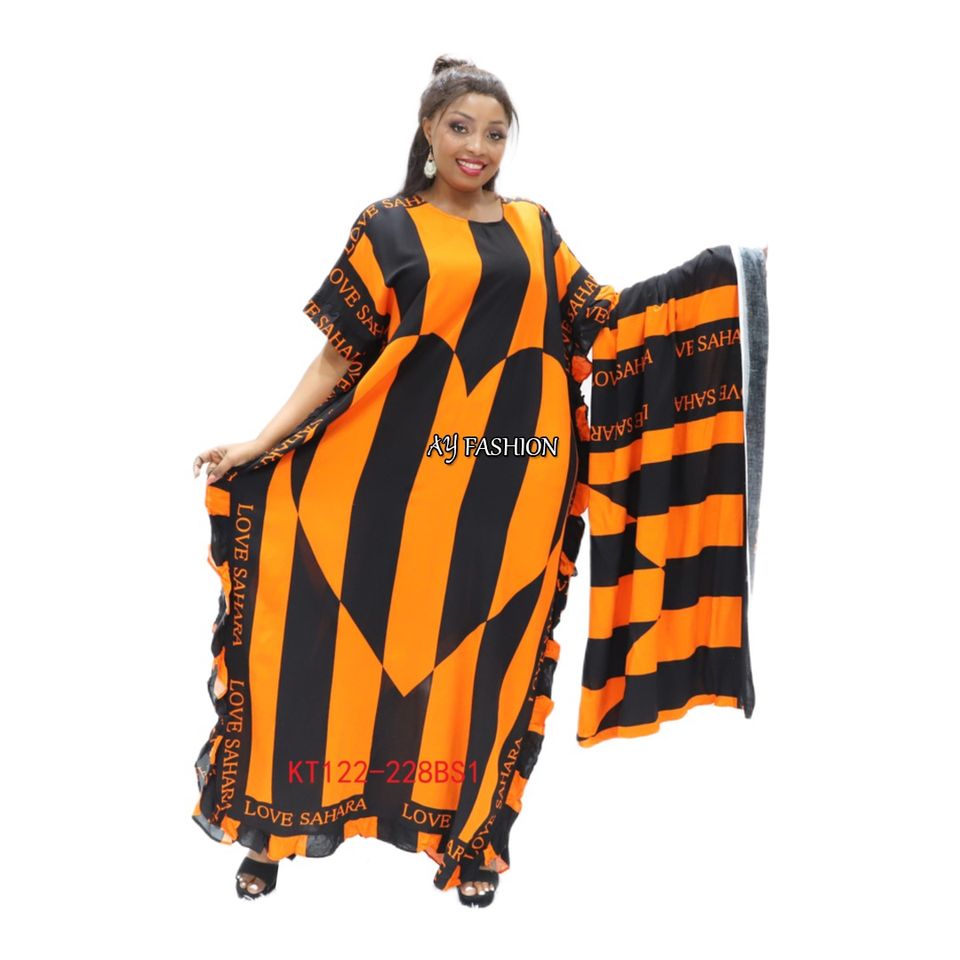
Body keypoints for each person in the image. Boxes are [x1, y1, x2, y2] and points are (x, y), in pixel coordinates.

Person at [192, 55, 764, 908]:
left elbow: (605, 322)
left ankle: (471, 843)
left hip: (511, 493)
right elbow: (336, 360)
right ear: (428, 129)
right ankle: (272, 829)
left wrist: (719, 278)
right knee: (314, 647)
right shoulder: (387, 228)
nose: (478, 147)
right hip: (380, 486)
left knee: (485, 666)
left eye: (496, 133)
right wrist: (259, 443)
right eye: (461, 127)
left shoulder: (534, 229)